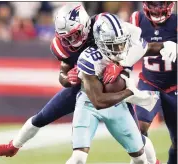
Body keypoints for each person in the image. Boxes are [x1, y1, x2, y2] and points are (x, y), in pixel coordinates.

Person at [0, 3, 175, 161]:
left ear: (86, 25)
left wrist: (120, 65)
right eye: (67, 37)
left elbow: (136, 42)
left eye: (74, 34)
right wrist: (66, 78)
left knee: (138, 138)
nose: (71, 40)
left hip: (112, 85)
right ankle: (11, 147)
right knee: (42, 117)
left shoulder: (103, 24)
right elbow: (63, 73)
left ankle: (154, 162)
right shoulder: (62, 46)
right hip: (84, 87)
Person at [66, 13, 158, 164]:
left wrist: (120, 65)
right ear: (100, 42)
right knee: (78, 158)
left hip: (117, 106)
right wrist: (130, 92)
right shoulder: (89, 58)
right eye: (113, 45)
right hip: (89, 105)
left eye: (121, 43)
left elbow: (147, 46)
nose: (119, 48)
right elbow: (98, 101)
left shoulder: (129, 40)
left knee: (140, 158)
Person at [130, 2, 177, 164]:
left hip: (174, 86)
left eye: (160, 4)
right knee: (139, 129)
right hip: (149, 82)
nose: (157, 8)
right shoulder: (137, 20)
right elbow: (127, 49)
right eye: (153, 4)